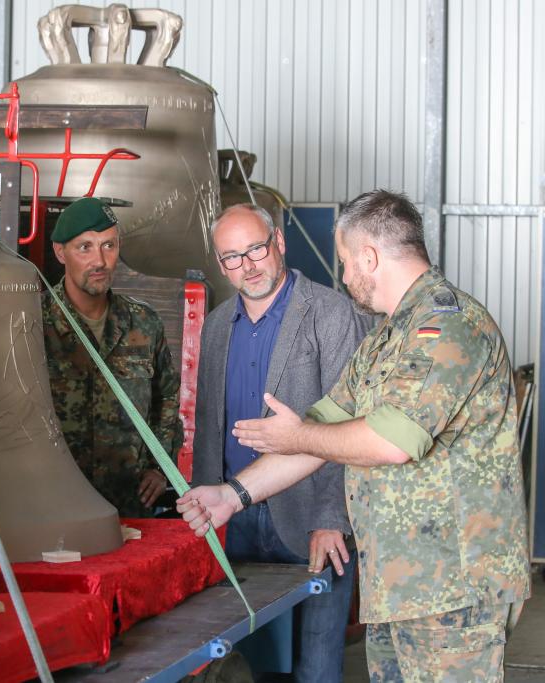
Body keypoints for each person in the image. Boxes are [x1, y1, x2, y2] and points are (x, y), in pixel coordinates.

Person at [178, 190, 531, 682]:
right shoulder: (387, 338)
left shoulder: (447, 326)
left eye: (344, 262)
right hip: (400, 583)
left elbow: (389, 441)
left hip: (454, 585)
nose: (342, 276)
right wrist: (232, 496)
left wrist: (300, 434)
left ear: (369, 257)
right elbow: (319, 434)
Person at [195, 203, 370, 682]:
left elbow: (350, 427)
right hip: (235, 520)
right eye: (231, 257)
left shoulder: (332, 314)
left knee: (316, 665)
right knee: (247, 662)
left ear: (279, 244)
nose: (247, 266)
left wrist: (331, 518)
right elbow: (209, 422)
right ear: (220, 262)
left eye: (255, 249)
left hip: (311, 520)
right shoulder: (215, 325)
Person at [42, 196, 182, 518]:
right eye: (85, 248)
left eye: (109, 246)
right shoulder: (34, 323)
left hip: (131, 504)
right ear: (60, 252)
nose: (100, 261)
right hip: (55, 505)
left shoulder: (143, 323)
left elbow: (167, 400)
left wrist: (160, 467)